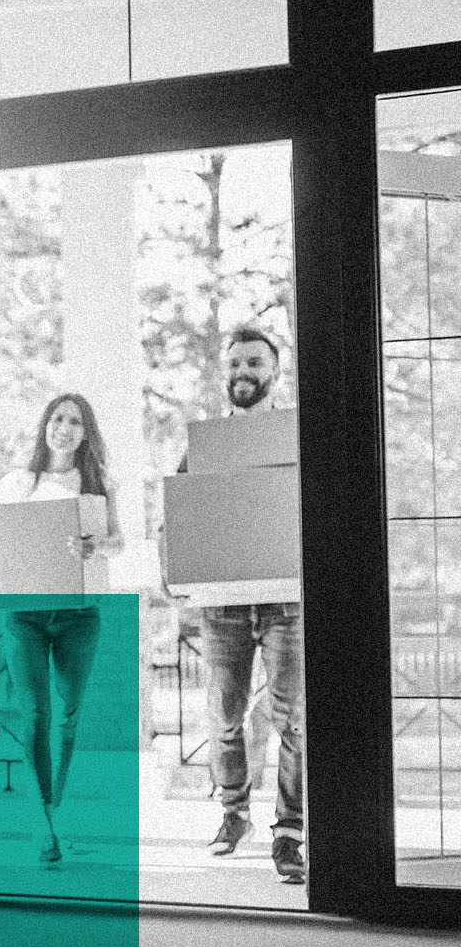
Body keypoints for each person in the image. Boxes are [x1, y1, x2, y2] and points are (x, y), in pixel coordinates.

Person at [175, 327, 307, 884]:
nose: (242, 372)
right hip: (222, 603)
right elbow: (180, 515)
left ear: (275, 372)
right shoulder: (204, 445)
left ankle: (289, 832)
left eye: (254, 362)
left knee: (294, 720)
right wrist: (179, 588)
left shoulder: (294, 434)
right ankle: (233, 816)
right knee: (224, 721)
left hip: (286, 597)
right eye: (234, 364)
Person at [0, 393, 123, 864]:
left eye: (76, 422)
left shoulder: (97, 484)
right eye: (58, 418)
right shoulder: (14, 483)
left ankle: (56, 808)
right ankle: (42, 818)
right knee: (34, 715)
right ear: (45, 424)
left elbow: (118, 541)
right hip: (23, 615)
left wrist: (97, 546)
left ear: (86, 434)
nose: (64, 427)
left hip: (78, 615)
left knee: (67, 717)